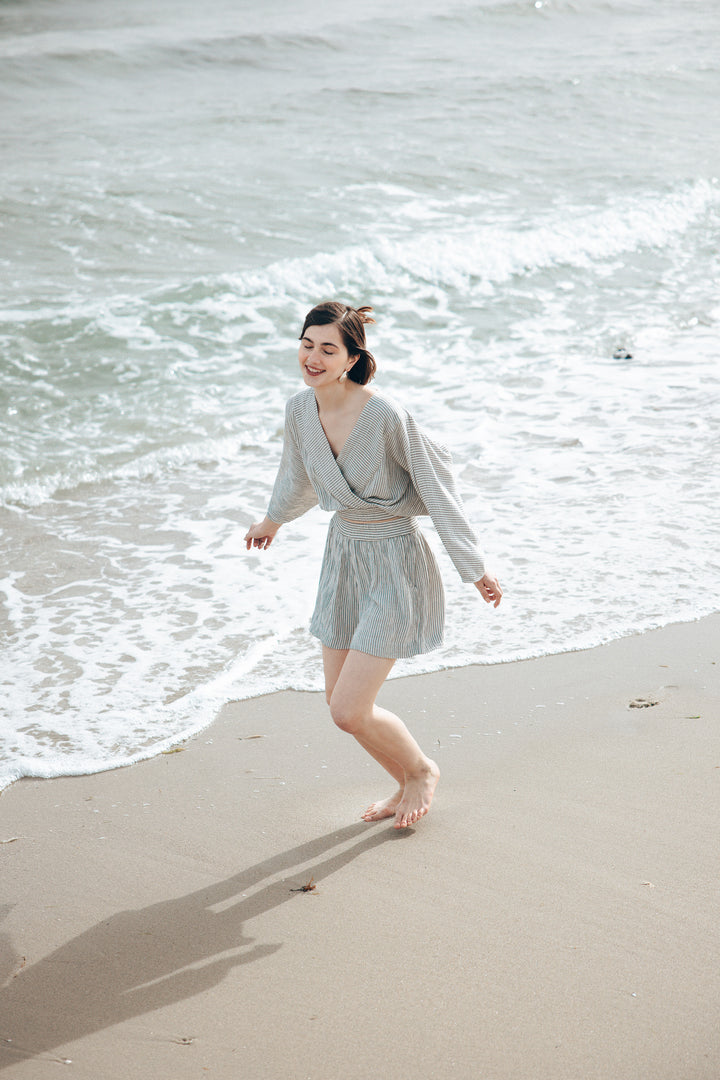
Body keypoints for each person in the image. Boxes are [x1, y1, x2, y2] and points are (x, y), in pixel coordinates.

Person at [244, 301, 502, 829]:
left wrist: (473, 566)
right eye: (306, 344)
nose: (313, 358)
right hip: (342, 558)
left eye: (328, 349)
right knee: (341, 708)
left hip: (394, 561)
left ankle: (422, 771)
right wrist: (272, 521)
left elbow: (436, 484)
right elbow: (297, 477)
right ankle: (403, 783)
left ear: (352, 358)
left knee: (349, 709)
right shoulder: (299, 410)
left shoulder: (384, 414)